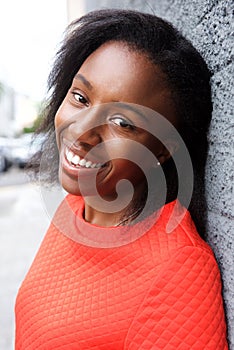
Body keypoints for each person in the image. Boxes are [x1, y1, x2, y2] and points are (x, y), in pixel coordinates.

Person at [15, 9, 228, 349]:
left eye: (123, 123)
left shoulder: (178, 270)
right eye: (81, 98)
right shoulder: (75, 208)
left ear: (162, 150)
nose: (81, 132)